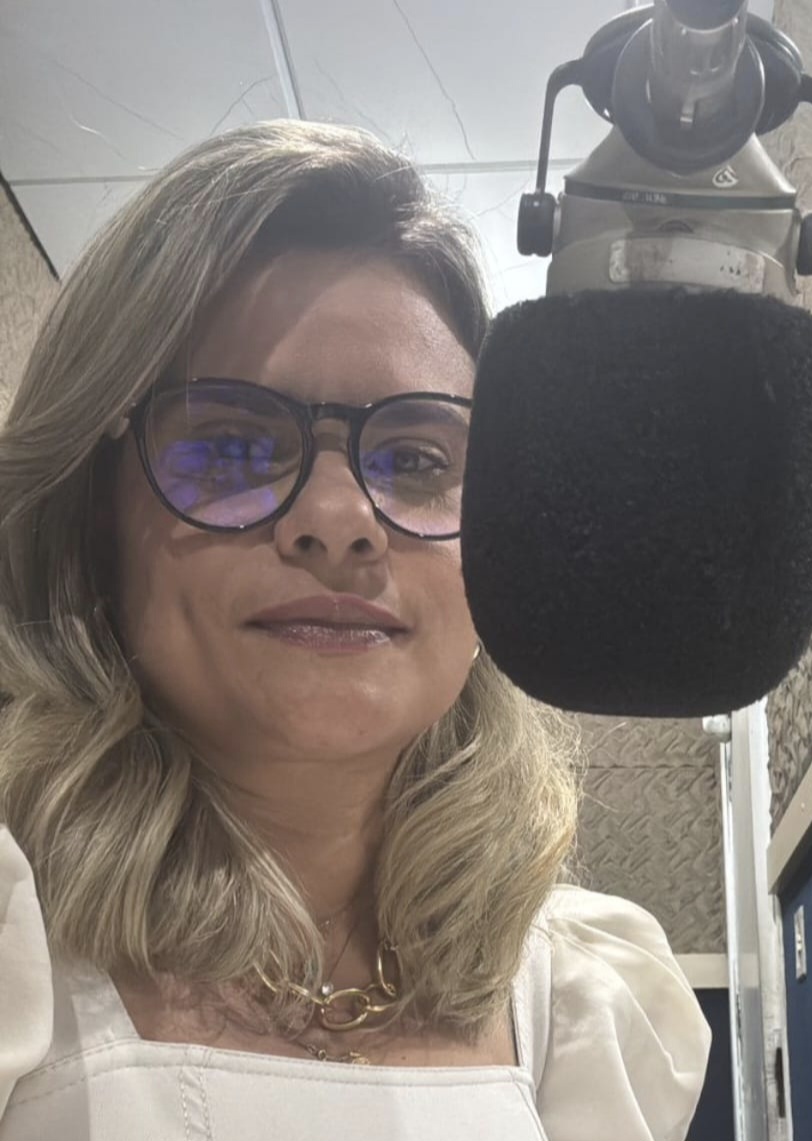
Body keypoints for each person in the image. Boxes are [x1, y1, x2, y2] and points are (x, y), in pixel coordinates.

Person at [0, 120, 711, 1140]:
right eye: (235, 445)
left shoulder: (583, 1002)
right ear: (92, 509)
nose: (339, 521)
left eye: (417, 460)